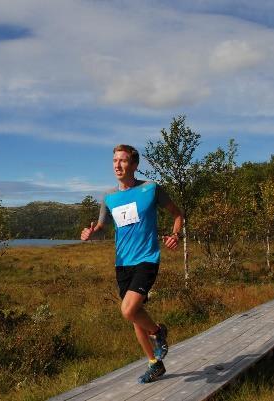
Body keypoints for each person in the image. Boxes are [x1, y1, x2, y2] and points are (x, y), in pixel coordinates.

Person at [81, 144, 183, 384]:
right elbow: (101, 228)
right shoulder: (109, 197)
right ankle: (154, 363)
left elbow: (177, 214)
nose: (117, 165)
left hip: (147, 258)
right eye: (115, 161)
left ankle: (158, 332)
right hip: (122, 263)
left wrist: (175, 235)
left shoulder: (151, 189)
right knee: (135, 314)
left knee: (128, 310)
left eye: (123, 161)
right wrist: (91, 233)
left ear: (134, 165)